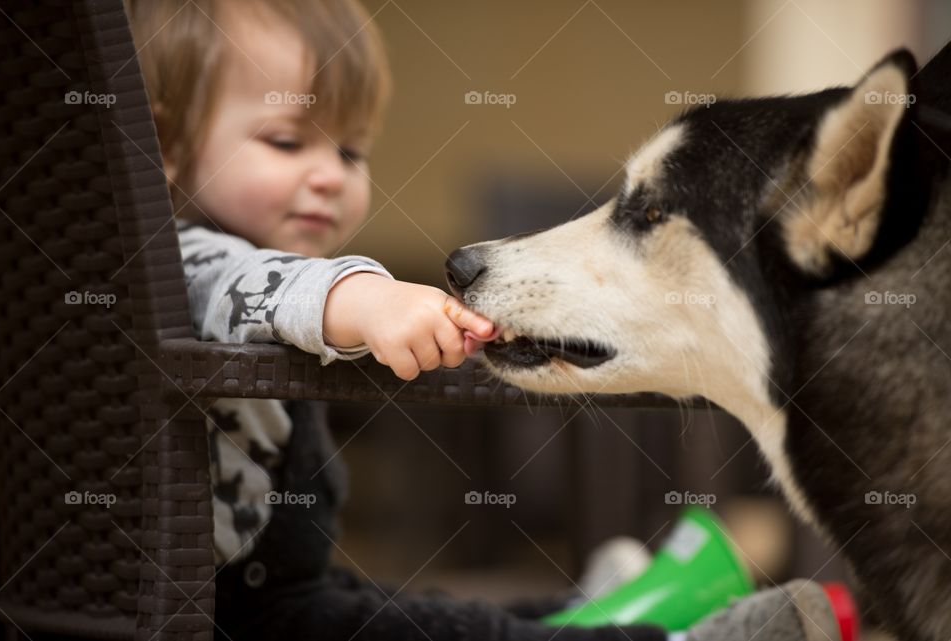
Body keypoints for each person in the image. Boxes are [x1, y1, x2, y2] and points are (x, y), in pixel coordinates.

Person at [125, 1, 844, 639]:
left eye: (351, 151)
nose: (329, 174)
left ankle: (588, 607)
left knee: (419, 609)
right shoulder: (177, 262)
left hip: (274, 590)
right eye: (287, 141)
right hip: (223, 613)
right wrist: (370, 301)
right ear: (164, 148)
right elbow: (264, 289)